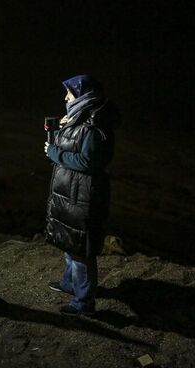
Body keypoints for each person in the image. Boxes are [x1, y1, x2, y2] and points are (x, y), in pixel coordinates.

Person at [44, 74, 117, 316]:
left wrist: (55, 153)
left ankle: (83, 303)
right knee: (70, 241)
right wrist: (62, 131)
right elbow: (72, 147)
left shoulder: (94, 126)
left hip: (83, 195)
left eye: (70, 93)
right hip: (72, 192)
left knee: (81, 252)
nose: (65, 97)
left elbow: (88, 161)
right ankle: (69, 284)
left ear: (83, 96)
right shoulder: (80, 120)